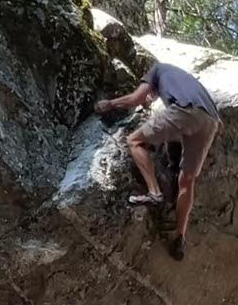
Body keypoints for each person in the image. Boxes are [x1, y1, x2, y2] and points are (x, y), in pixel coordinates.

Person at [94, 62, 221, 261]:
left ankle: (154, 193)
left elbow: (136, 99)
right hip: (210, 121)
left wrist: (109, 104)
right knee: (187, 180)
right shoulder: (182, 77)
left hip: (184, 111)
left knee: (134, 141)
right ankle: (180, 237)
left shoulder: (157, 69)